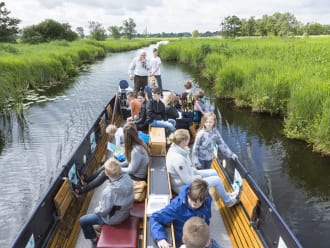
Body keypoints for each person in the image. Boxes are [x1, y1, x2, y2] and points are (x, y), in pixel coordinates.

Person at [166, 129, 239, 207]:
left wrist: (196, 173)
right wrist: (199, 177)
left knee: (213, 172)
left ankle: (226, 195)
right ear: (184, 142)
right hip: (182, 187)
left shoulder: (178, 149)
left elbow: (188, 169)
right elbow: (187, 181)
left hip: (188, 176)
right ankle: (228, 202)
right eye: (189, 139)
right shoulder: (178, 159)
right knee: (217, 180)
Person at [74, 122, 149, 195]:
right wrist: (115, 165)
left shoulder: (136, 151)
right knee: (106, 166)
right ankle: (87, 180)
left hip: (137, 177)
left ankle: (82, 190)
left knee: (105, 173)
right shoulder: (137, 143)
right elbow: (127, 162)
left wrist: (115, 169)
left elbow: (131, 170)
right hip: (133, 172)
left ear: (128, 138)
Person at [79, 157, 134, 245]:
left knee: (83, 220)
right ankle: (99, 227)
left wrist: (96, 209)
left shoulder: (109, 191)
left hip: (114, 219)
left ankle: (94, 239)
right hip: (125, 212)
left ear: (106, 173)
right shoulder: (128, 178)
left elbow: (103, 211)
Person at [150, 179, 212, 247]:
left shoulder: (207, 203)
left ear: (204, 200)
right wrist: (160, 238)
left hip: (199, 238)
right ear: (188, 194)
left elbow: (206, 219)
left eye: (198, 204)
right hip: (183, 240)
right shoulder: (177, 206)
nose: (193, 205)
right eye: (191, 201)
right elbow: (155, 218)